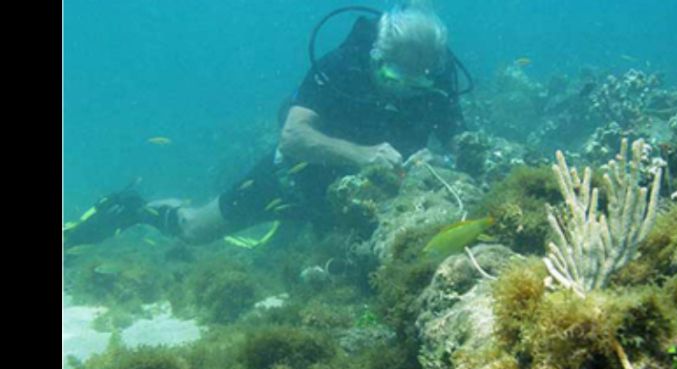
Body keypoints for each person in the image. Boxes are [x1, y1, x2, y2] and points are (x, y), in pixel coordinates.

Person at [63, 4, 468, 250]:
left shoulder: (439, 81)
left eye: (418, 80)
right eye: (394, 75)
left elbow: (462, 144)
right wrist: (363, 156)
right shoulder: (343, 64)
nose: (404, 89)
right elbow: (293, 137)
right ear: (377, 54)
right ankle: (134, 208)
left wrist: (447, 158)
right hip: (291, 181)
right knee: (194, 232)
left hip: (369, 202)